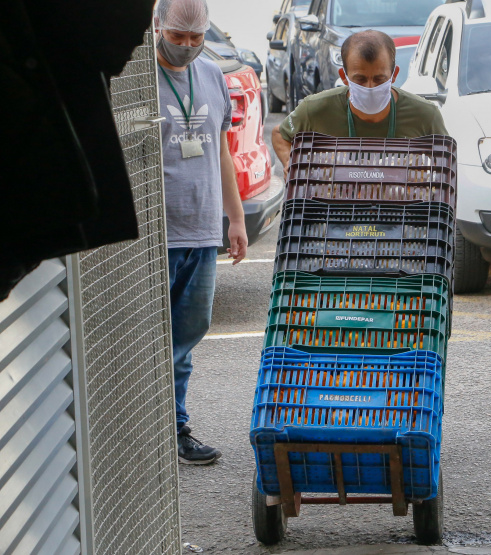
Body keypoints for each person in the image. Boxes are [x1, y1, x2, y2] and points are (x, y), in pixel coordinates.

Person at [155, 0, 247, 464]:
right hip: (153, 236)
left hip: (202, 228)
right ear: (157, 26)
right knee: (150, 341)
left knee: (187, 338)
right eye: (177, 37)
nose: (187, 47)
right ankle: (153, 430)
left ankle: (175, 428)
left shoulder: (211, 74)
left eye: (196, 38)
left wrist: (234, 218)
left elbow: (223, 152)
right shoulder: (136, 81)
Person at [272, 30, 448, 166]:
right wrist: (291, 165)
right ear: (344, 76)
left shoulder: (425, 115)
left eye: (379, 79)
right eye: (360, 79)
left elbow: (445, 159)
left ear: (394, 75)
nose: (370, 87)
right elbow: (281, 134)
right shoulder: (316, 108)